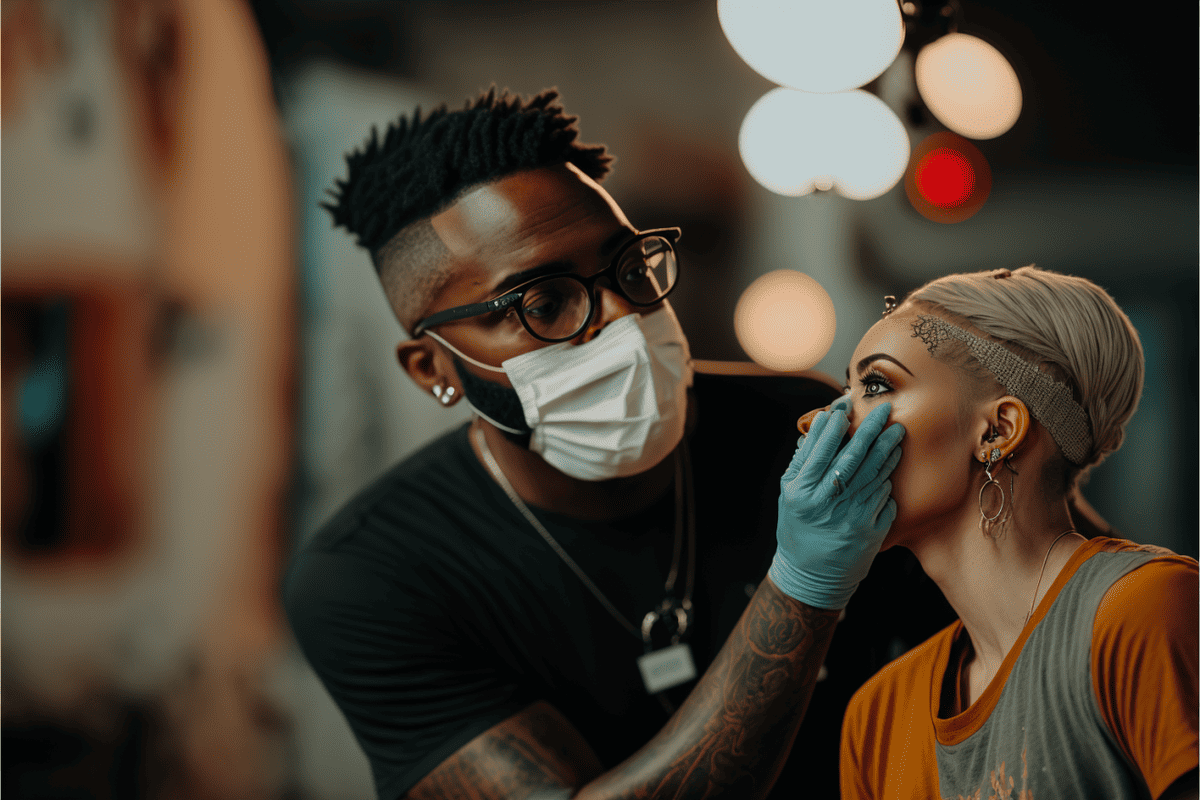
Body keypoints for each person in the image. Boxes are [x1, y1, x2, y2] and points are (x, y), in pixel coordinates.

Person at [283, 87, 914, 799]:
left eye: (631, 269)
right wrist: (803, 587)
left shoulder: (799, 426)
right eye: (544, 303)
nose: (622, 320)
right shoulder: (372, 577)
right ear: (434, 368)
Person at [814, 267, 1199, 799]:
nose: (818, 423)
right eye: (844, 390)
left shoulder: (1141, 613)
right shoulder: (876, 716)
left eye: (876, 386)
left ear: (998, 430)